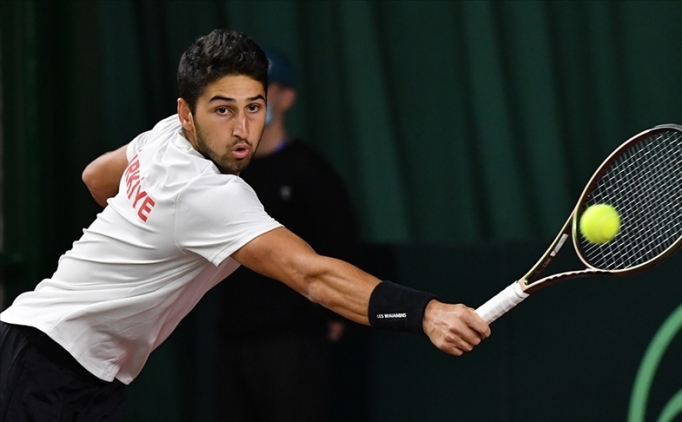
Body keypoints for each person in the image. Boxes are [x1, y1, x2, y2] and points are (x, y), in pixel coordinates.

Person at [0, 29, 490, 421]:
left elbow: (95, 178)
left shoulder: (165, 136)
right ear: (186, 113)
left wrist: (143, 217)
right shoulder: (209, 194)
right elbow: (312, 276)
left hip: (73, 365)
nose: (241, 129)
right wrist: (426, 313)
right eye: (222, 110)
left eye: (253, 107)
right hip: (46, 361)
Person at [212, 48, 360, 421]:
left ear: (285, 97)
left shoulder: (309, 171)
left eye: (261, 92)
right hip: (233, 336)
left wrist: (337, 312)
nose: (248, 105)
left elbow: (338, 246)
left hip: (294, 340)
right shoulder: (218, 174)